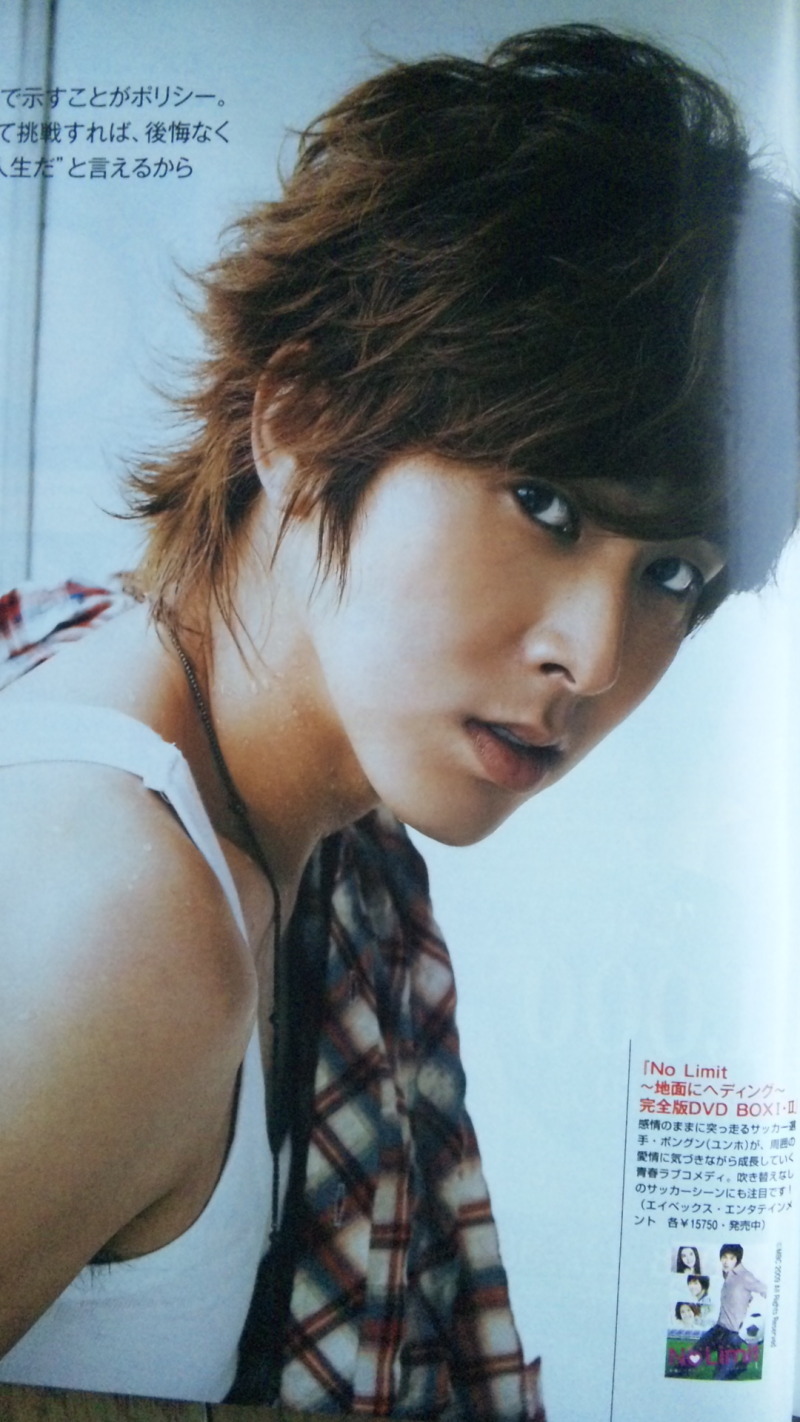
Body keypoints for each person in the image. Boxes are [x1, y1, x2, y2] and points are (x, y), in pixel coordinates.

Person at [0, 21, 797, 1420]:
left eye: (673, 574)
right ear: (304, 421)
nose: (592, 656)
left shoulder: (255, 806)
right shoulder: (123, 909)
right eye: (545, 501)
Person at [691, 1245, 767, 1380]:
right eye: (724, 1257)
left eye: (731, 1258)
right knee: (690, 1359)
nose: (726, 1261)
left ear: (737, 1260)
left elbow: (765, 1290)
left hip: (732, 1335)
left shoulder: (745, 1276)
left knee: (720, 1377)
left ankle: (740, 1367)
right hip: (718, 1329)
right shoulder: (727, 1274)